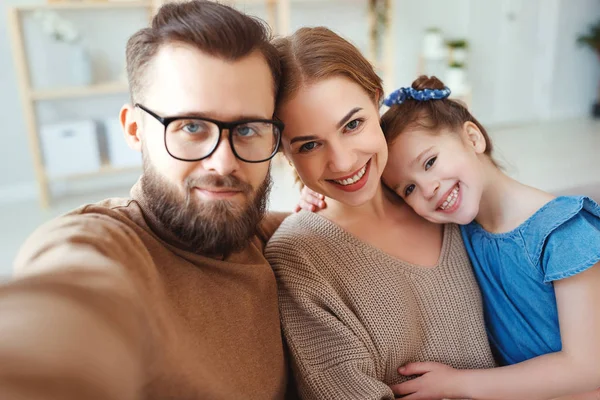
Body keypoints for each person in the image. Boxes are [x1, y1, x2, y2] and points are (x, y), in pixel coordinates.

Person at [0, 1, 296, 399]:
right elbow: (66, 306)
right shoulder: (103, 245)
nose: (224, 162)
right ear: (134, 129)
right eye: (191, 126)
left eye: (247, 129)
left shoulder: (275, 238)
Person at [303, 75, 600, 400]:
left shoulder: (564, 232)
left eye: (430, 162)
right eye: (409, 189)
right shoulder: (459, 227)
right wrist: (318, 191)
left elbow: (587, 367)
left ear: (472, 138)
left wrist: (456, 383)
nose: (427, 188)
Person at [264, 27, 496, 400]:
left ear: (376, 100)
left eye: (352, 124)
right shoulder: (299, 257)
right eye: (309, 145)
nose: (343, 162)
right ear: (282, 151)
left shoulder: (440, 195)